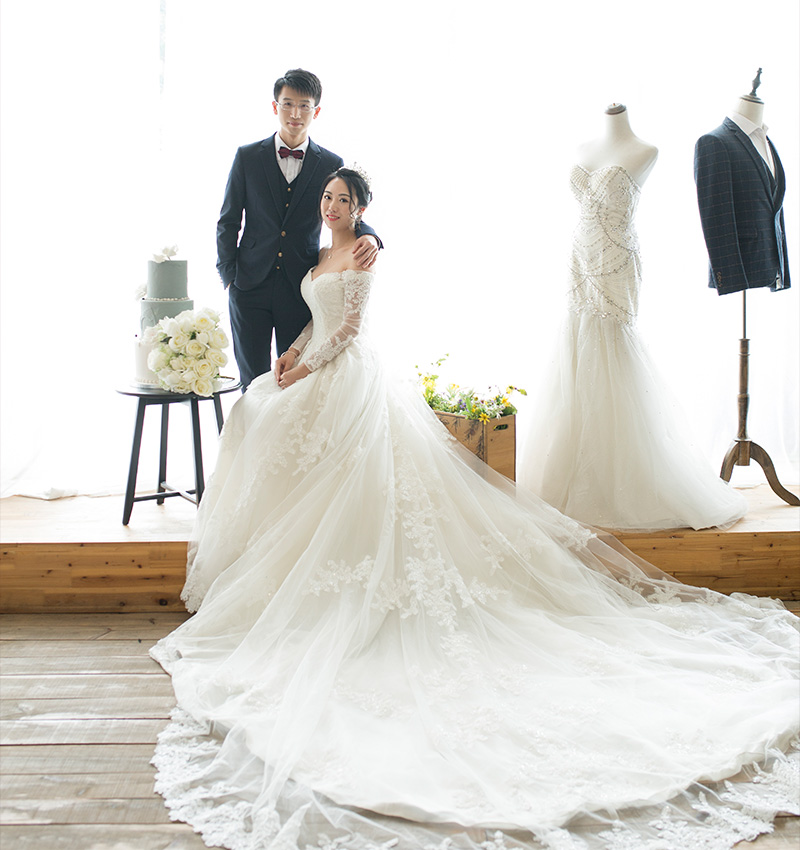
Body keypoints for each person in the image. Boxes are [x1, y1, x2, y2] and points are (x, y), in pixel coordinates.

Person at [151, 169, 798, 850]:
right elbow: (317, 321)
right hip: (313, 361)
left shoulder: (365, 252)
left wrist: (309, 368)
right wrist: (289, 355)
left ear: (361, 208)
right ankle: (278, 562)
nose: (332, 206)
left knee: (323, 453)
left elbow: (350, 327)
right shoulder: (318, 254)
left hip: (346, 374)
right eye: (328, 198)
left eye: (343, 199)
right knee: (256, 410)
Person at [518, 104, 748, 531]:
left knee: (612, 342)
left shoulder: (646, 150)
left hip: (616, 259)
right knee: (577, 340)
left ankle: (622, 476)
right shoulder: (584, 147)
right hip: (579, 257)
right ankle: (572, 464)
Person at [216, 69, 381, 390]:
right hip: (248, 286)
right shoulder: (247, 157)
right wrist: (230, 277)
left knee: (291, 382)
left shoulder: (330, 162)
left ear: (315, 111)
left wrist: (370, 235)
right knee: (252, 382)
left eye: (304, 106)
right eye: (288, 104)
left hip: (298, 287)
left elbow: (348, 204)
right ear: (275, 106)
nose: (295, 114)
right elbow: (228, 220)